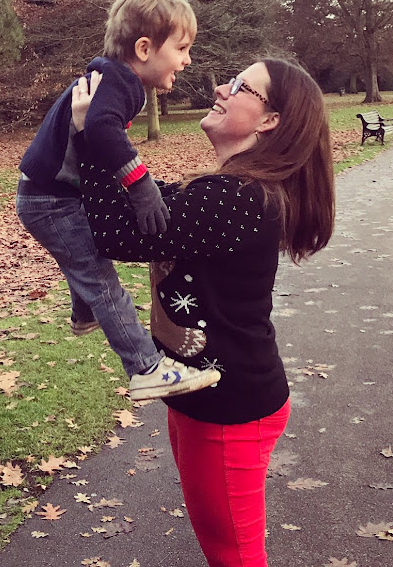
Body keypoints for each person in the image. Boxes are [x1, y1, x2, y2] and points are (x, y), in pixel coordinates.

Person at [72, 58, 335, 567]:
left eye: (239, 86)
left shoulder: (238, 197)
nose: (220, 87)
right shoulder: (229, 189)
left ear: (269, 120)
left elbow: (112, 231)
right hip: (210, 398)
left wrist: (90, 134)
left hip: (228, 409)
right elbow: (143, 205)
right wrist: (110, 129)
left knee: (235, 556)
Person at [16, 0, 220, 401]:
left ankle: (84, 312)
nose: (187, 60)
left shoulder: (110, 78)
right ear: (144, 49)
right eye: (180, 49)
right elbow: (102, 130)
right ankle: (145, 367)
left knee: (88, 257)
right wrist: (142, 186)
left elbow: (93, 133)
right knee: (101, 278)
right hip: (50, 200)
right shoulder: (122, 83)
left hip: (47, 196)